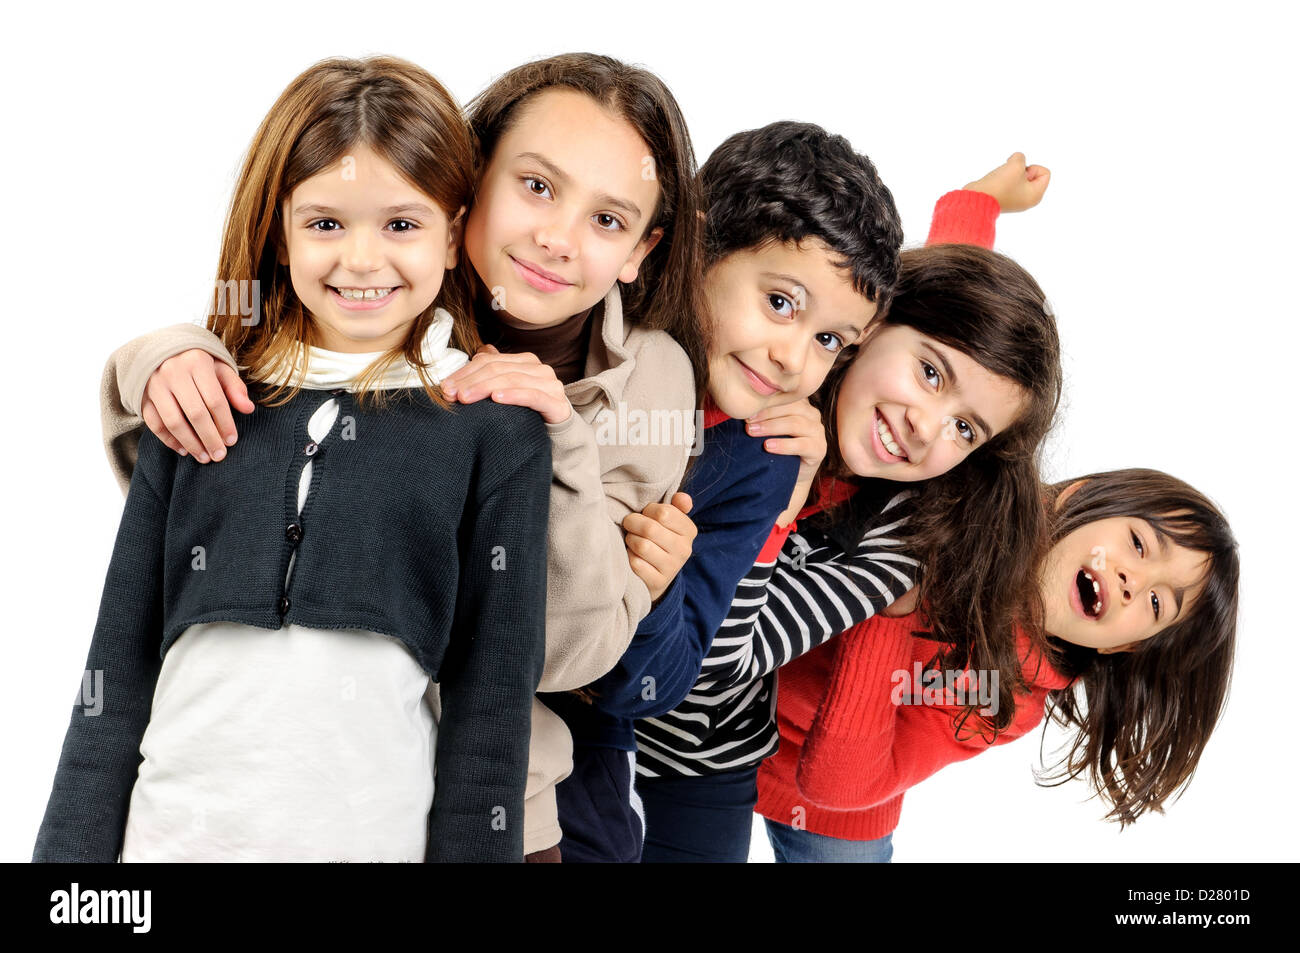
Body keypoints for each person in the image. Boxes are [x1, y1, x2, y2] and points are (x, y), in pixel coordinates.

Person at [90, 52, 706, 862]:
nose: (557, 239)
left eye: (608, 220)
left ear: (640, 249)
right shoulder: (374, 293)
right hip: (313, 793)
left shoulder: (650, 379)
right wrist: (162, 357)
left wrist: (564, 450)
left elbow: (564, 651)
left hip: (509, 799)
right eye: (536, 186)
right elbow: (213, 518)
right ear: (467, 179)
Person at [33, 56, 551, 863]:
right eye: (325, 223)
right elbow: (116, 668)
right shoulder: (197, 399)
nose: (362, 260)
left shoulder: (494, 430)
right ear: (280, 232)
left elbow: (491, 707)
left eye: (402, 224)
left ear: (453, 236)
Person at [628, 155, 1063, 861]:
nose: (925, 425)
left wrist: (777, 516)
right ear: (871, 322)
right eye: (929, 374)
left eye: (965, 429)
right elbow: (940, 278)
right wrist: (976, 201)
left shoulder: (898, 545)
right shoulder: (774, 358)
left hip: (708, 749)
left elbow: (718, 666)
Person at [757, 468, 1239, 861]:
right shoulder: (975, 497)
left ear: (1124, 646)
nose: (1134, 582)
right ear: (1075, 496)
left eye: (1156, 603)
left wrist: (891, 610)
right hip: (723, 672)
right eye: (1138, 543)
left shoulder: (1004, 699)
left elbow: (841, 784)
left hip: (809, 792)